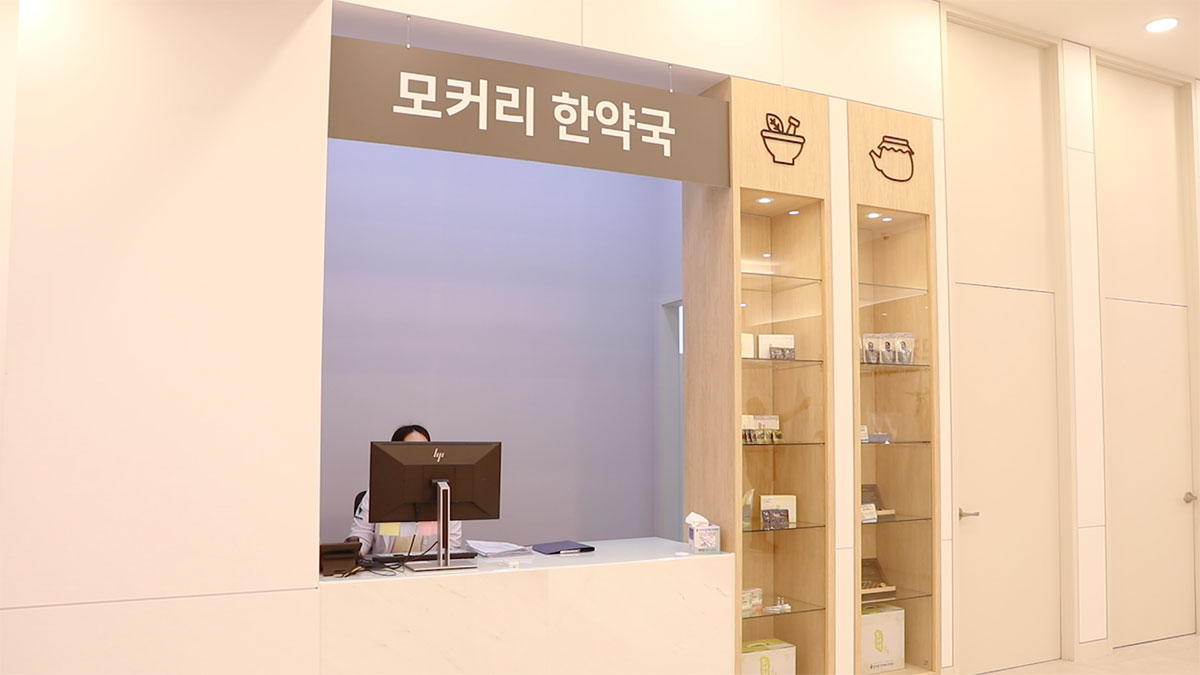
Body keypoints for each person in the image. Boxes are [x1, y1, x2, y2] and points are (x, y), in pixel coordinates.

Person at [346, 423, 464, 558]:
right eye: (412, 450)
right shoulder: (379, 492)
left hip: (430, 568)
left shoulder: (443, 493)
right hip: (387, 568)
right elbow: (362, 534)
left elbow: (452, 545)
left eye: (425, 450)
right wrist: (354, 549)